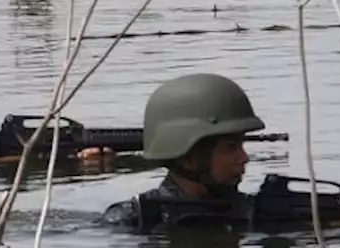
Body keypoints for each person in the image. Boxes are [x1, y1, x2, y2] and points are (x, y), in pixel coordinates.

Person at [100, 73, 264, 234]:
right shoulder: (133, 220)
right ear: (187, 158)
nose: (244, 158)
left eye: (241, 146)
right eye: (230, 147)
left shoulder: (254, 211)